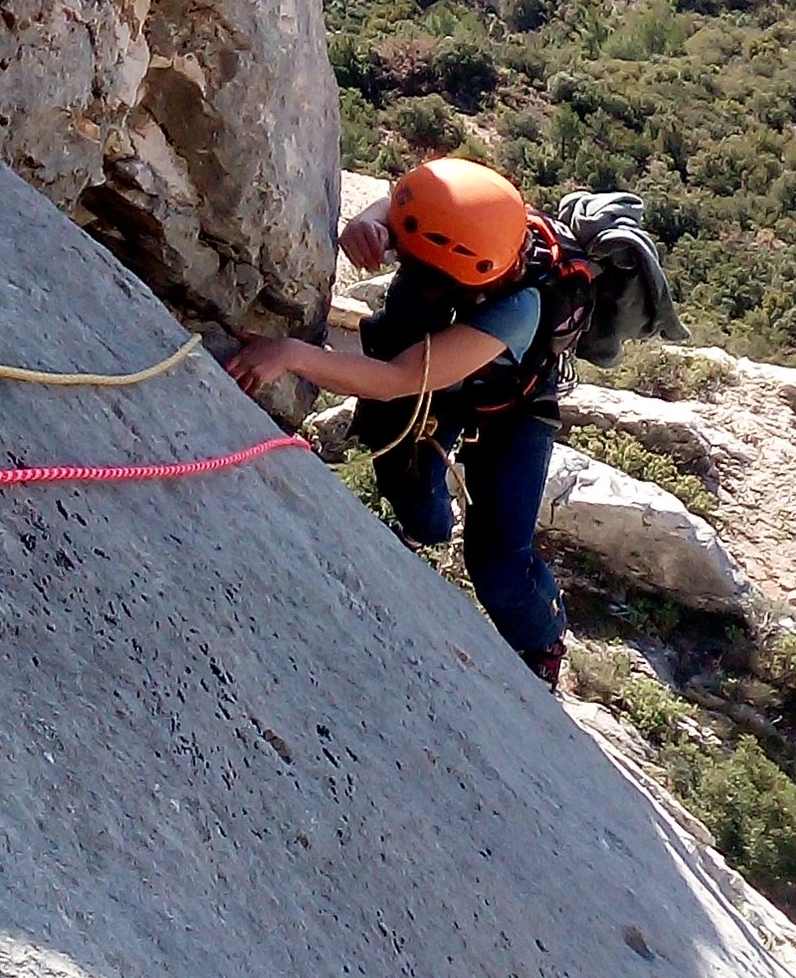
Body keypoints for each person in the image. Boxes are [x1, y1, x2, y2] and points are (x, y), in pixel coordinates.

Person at [226, 158, 569, 688]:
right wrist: (371, 223)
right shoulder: (467, 229)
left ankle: (542, 638)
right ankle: (423, 529)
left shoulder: (516, 307)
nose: (399, 259)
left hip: (509, 409)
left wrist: (291, 355)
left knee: (497, 565)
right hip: (434, 368)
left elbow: (396, 378)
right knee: (402, 474)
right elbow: (404, 200)